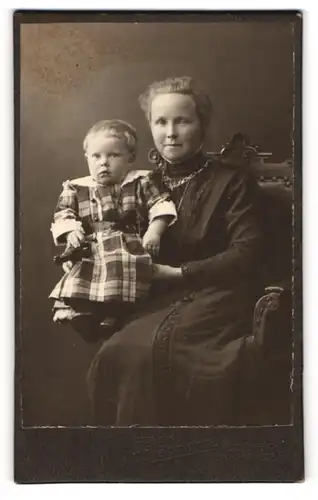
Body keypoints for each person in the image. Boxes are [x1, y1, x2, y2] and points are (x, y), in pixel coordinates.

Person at [87, 76, 263, 425]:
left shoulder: (232, 182)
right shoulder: (138, 184)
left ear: (202, 124)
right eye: (160, 122)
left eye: (182, 121)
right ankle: (127, 463)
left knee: (160, 355)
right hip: (155, 295)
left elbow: (248, 252)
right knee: (114, 355)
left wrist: (182, 273)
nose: (170, 132)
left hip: (219, 294)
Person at [49, 119, 177, 343]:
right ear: (87, 158)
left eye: (113, 156)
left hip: (126, 243)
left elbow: (160, 204)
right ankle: (83, 314)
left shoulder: (140, 182)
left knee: (123, 265)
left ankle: (115, 314)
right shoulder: (77, 188)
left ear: (129, 159)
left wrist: (154, 231)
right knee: (81, 271)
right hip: (92, 245)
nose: (103, 163)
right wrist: (71, 233)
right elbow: (63, 214)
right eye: (96, 156)